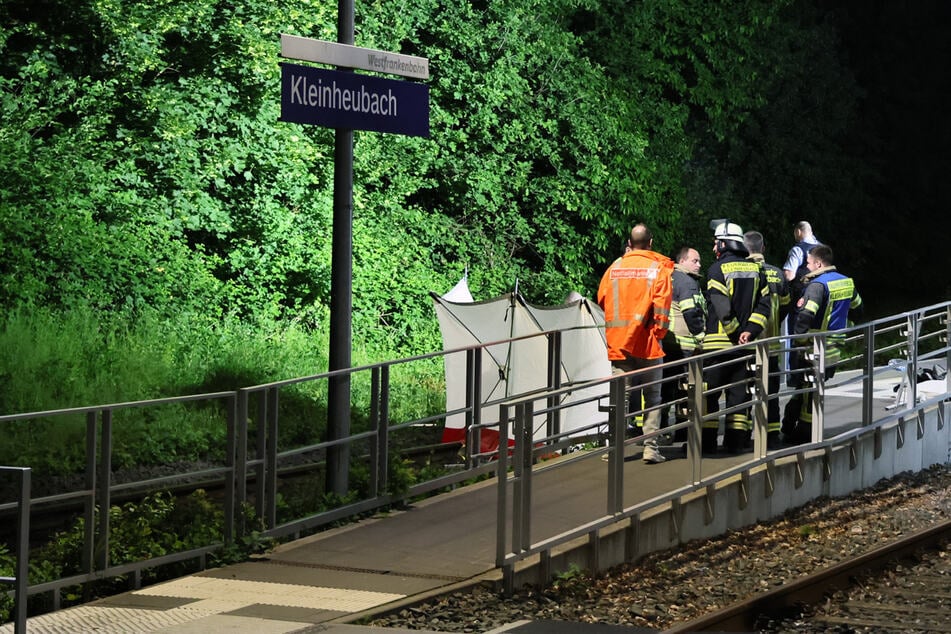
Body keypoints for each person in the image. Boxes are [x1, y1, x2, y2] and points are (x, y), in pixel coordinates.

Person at [597, 223, 674, 464]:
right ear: (650, 243)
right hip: (648, 345)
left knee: (620, 398)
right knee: (653, 397)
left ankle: (616, 450)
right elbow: (662, 309)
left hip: (620, 344)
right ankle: (650, 449)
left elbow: (601, 300)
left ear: (629, 244)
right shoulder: (658, 269)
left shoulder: (614, 268)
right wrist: (658, 334)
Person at [782, 245, 863, 444]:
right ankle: (789, 426)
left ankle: (804, 434)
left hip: (813, 347)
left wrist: (798, 341)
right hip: (835, 348)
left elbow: (806, 315)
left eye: (808, 263)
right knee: (809, 388)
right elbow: (858, 309)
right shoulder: (847, 282)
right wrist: (847, 326)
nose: (807, 267)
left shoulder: (817, 286)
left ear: (818, 263)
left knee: (808, 391)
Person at [702, 220, 771, 454]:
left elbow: (721, 308)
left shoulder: (716, 270)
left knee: (709, 397)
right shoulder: (756, 269)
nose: (713, 249)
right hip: (746, 348)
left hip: (717, 347)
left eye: (716, 244)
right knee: (738, 398)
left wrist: (733, 332)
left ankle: (707, 444)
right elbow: (765, 306)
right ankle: (735, 444)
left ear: (724, 244)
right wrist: (749, 332)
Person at [744, 230, 791, 449]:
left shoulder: (741, 271)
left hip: (746, 344)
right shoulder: (777, 274)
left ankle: (742, 437)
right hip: (771, 345)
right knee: (771, 393)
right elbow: (786, 304)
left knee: (743, 393)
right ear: (763, 248)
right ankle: (772, 435)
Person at [660, 247, 706, 442]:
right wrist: (702, 335)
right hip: (685, 346)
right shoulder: (687, 282)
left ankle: (660, 429)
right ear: (683, 260)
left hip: (666, 343)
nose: (699, 265)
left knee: (663, 390)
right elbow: (690, 312)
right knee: (685, 391)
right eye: (695, 261)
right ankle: (682, 433)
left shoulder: (667, 277)